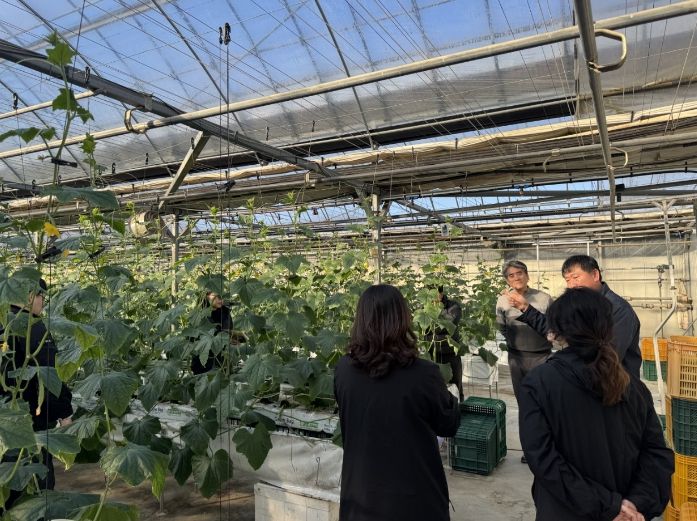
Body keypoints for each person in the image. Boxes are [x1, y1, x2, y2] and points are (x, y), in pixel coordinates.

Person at [519, 288, 673, 521]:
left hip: (565, 511)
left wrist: (611, 507)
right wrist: (635, 503)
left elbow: (543, 459)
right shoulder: (632, 386)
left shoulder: (539, 383)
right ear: (608, 328)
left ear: (555, 332)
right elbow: (656, 453)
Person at [334, 284, 460, 521]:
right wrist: (450, 398)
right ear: (403, 319)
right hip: (413, 499)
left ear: (360, 320)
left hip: (360, 497)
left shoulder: (344, 370)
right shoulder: (423, 373)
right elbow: (448, 425)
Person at [507, 255, 641, 378]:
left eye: (576, 277)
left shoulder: (618, 309)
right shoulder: (578, 305)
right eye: (567, 280)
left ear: (595, 275)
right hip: (585, 378)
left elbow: (608, 357)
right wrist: (525, 308)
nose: (571, 285)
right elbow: (555, 330)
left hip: (614, 385)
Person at [1, 278, 73, 501]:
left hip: (4, 420)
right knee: (36, 487)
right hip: (30, 423)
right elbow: (50, 375)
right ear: (29, 295)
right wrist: (64, 412)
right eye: (42, 296)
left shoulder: (3, 323)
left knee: (7, 481)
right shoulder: (33, 326)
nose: (43, 301)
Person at [496, 260, 552, 463]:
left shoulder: (544, 298)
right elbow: (502, 327)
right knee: (525, 405)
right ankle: (529, 450)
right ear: (507, 280)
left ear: (527, 275)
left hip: (542, 357)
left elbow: (551, 328)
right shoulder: (503, 301)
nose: (516, 278)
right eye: (511, 275)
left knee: (545, 403)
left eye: (520, 273)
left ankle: (548, 449)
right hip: (517, 359)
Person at [426, 285, 464, 401]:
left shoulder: (453, 306)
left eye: (436, 293)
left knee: (455, 387)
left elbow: (448, 326)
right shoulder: (425, 307)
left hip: (450, 353)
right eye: (430, 293)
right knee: (433, 389)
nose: (433, 296)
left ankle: (458, 406)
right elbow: (423, 328)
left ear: (441, 293)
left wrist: (435, 311)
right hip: (432, 354)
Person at [191, 291, 232, 375]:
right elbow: (193, 339)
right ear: (205, 297)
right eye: (215, 296)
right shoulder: (199, 315)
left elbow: (228, 332)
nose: (219, 299)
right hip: (203, 362)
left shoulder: (225, 313)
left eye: (220, 296)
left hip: (221, 361)